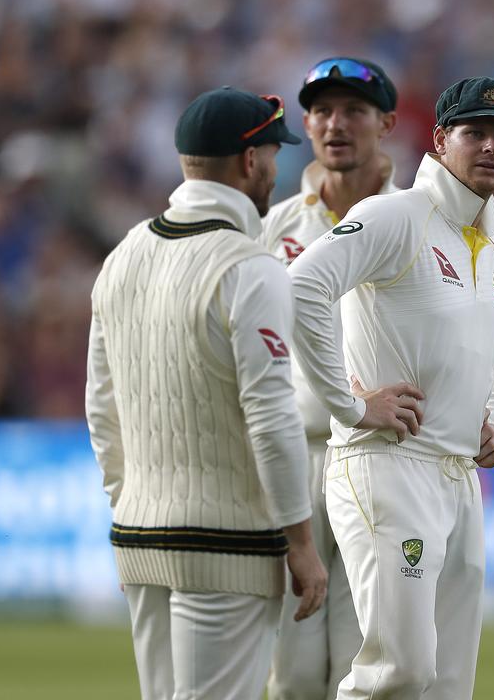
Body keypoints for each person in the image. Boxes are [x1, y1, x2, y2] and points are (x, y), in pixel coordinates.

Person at [85, 86, 328, 700]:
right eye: (273, 155)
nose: (277, 171)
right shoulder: (251, 267)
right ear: (250, 161)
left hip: (141, 535)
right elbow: (272, 417)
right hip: (230, 546)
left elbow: (100, 408)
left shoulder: (122, 255)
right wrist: (300, 542)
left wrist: (127, 506)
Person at [288, 76, 494, 699]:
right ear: (442, 138)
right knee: (399, 672)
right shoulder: (397, 216)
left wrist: (493, 418)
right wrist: (348, 403)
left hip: (457, 477)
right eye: (475, 133)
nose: (492, 148)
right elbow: (300, 288)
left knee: (447, 683)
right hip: (388, 466)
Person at [260, 57, 399, 700]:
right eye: (320, 111)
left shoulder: (420, 222)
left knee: (365, 670)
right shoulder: (275, 229)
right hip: (295, 457)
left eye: (353, 111)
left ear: (387, 123)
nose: (334, 124)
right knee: (290, 676)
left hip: (385, 461)